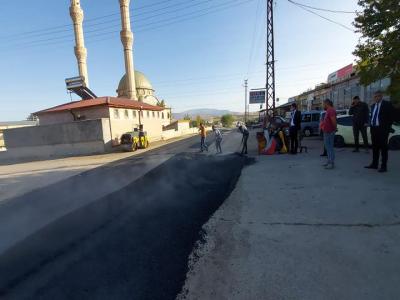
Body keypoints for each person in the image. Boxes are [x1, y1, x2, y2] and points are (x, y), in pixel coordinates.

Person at [365, 90, 394, 173]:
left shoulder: (387, 104)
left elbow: (391, 117)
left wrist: (387, 128)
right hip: (374, 129)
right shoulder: (373, 105)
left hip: (383, 130)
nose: (376, 98)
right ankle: (374, 164)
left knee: (384, 148)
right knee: (375, 148)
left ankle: (383, 166)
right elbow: (374, 116)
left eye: (378, 96)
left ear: (382, 96)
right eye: (375, 96)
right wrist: (370, 123)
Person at [320, 99, 337, 169]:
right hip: (327, 131)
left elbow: (334, 121)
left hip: (329, 132)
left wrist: (334, 129)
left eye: (323, 104)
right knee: (328, 147)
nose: (322, 105)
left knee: (330, 147)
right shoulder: (328, 111)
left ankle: (331, 163)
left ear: (327, 103)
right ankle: (329, 161)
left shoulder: (331, 110)